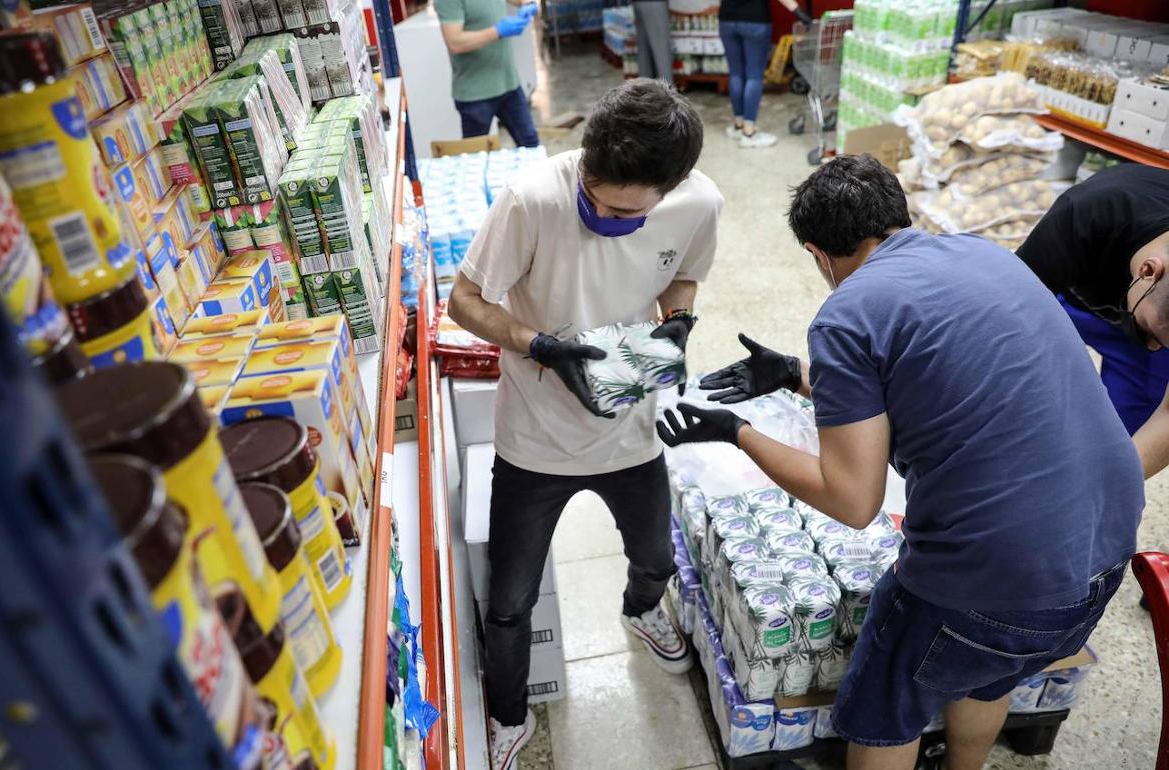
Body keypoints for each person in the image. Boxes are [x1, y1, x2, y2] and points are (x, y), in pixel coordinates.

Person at [657, 154, 1142, 770]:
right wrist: (797, 378)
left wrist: (737, 431)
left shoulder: (848, 311)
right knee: (987, 675)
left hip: (993, 574)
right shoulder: (986, 254)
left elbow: (852, 500)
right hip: (1104, 551)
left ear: (817, 253)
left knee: (884, 708)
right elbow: (934, 379)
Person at [447, 79, 722, 770]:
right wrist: (533, 342)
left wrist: (679, 320)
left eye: (626, 213)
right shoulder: (533, 198)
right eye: (594, 199)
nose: (603, 216)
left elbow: (682, 276)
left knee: (656, 560)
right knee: (509, 603)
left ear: (671, 187)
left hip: (628, 426)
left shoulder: (699, 204)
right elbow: (464, 300)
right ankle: (509, 715)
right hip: (533, 440)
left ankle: (639, 612)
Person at [1017, 163, 1169, 477]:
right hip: (1068, 304)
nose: (1154, 347)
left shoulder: (1156, 327)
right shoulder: (1086, 213)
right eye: (1155, 334)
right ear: (1149, 271)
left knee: (1122, 437)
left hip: (1132, 307)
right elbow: (1005, 318)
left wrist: (1103, 487)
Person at [436, 0, 540, 146]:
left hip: (509, 83)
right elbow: (455, 42)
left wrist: (529, 4)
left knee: (530, 144)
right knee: (475, 157)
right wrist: (497, 31)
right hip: (476, 94)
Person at [718, 0, 810, 149]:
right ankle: (749, 133)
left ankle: (738, 125)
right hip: (755, 20)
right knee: (754, 76)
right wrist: (799, 13)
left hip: (727, 19)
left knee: (735, 74)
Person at [633, 0, 672, 81]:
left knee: (644, 51)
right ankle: (666, 91)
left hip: (638, 4)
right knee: (662, 52)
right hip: (654, 4)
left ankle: (644, 90)